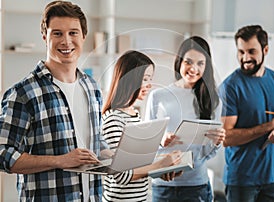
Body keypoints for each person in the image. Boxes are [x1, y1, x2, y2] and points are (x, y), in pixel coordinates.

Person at [0, 1, 111, 201]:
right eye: (57, 33)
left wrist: (119, 157)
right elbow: (3, 155)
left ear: (83, 36)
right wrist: (60, 161)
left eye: (73, 33)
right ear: (45, 37)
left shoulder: (92, 87)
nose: (66, 41)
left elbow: (94, 141)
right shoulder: (23, 93)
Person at [145, 36, 226, 202]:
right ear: (179, 62)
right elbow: (147, 142)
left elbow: (207, 154)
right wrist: (161, 140)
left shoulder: (213, 100)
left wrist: (216, 142)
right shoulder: (158, 96)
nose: (193, 68)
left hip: (196, 186)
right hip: (163, 184)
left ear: (206, 66)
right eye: (188, 62)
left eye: (200, 63)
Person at [218, 25, 274, 202]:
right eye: (241, 52)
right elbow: (226, 138)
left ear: (265, 50)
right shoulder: (230, 87)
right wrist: (269, 126)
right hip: (242, 180)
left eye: (251, 51)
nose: (245, 58)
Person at [101, 50, 182, 202]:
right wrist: (159, 165)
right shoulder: (113, 120)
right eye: (145, 79)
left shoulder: (134, 115)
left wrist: (165, 167)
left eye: (150, 79)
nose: (149, 85)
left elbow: (138, 165)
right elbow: (122, 175)